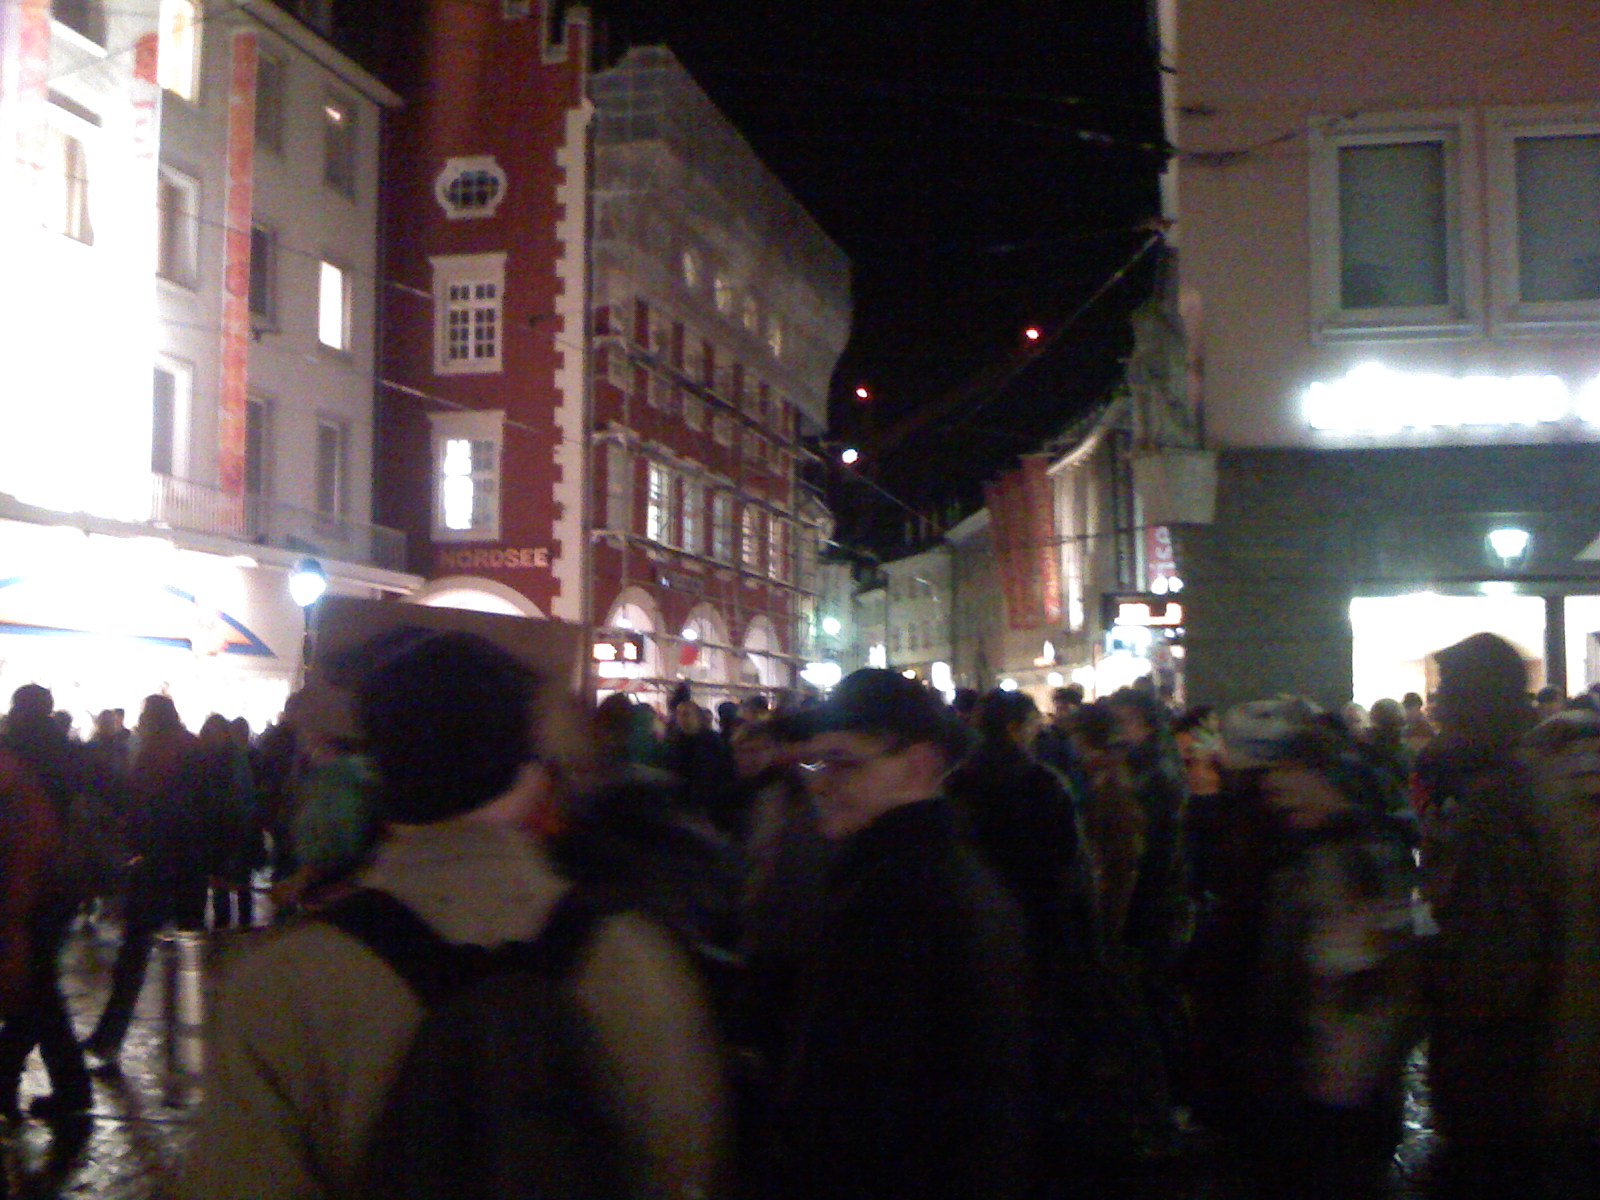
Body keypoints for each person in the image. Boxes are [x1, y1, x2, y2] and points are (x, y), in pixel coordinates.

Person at [177, 630, 728, 1200]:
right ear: (528, 771)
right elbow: (684, 1164)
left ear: (381, 770)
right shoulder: (632, 957)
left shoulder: (286, 981)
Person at [765, 669, 1035, 1200]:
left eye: (842, 762)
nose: (819, 782)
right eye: (812, 763)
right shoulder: (929, 873)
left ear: (920, 765)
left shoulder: (898, 899)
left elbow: (863, 1102)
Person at [1186, 697, 1421, 1200]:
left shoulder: (1356, 855)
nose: (1275, 787)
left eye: (1287, 772)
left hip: (1336, 1087)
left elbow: (1376, 981)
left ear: (1321, 776)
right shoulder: (1308, 850)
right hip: (1309, 1080)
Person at [1419, 633, 1586, 1198]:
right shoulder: (1514, 781)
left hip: (1502, 1053)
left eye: (1447, 689)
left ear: (1475, 699)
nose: (1437, 703)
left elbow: (1497, 951)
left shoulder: (1500, 797)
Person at [83, 694, 200, 1066]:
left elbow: (144, 807)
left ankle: (112, 1036)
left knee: (135, 953)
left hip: (159, 865)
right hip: (185, 866)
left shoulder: (157, 756)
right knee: (183, 953)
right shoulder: (188, 749)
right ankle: (182, 1039)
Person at [0, 684, 93, 1121]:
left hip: (29, 885)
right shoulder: (68, 753)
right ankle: (62, 1087)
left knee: (34, 990)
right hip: (61, 884)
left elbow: (23, 835)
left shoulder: (16, 757)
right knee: (36, 988)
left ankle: (59, 1086)